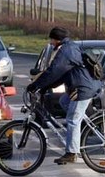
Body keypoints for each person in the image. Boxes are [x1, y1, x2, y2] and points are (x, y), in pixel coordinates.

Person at [26, 26, 99, 165]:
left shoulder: (66, 51)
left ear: (57, 39)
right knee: (64, 102)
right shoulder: (69, 47)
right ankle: (79, 130)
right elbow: (61, 75)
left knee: (72, 119)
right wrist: (44, 87)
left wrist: (36, 85)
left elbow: (53, 71)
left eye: (51, 40)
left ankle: (71, 153)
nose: (51, 43)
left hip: (83, 88)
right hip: (83, 86)